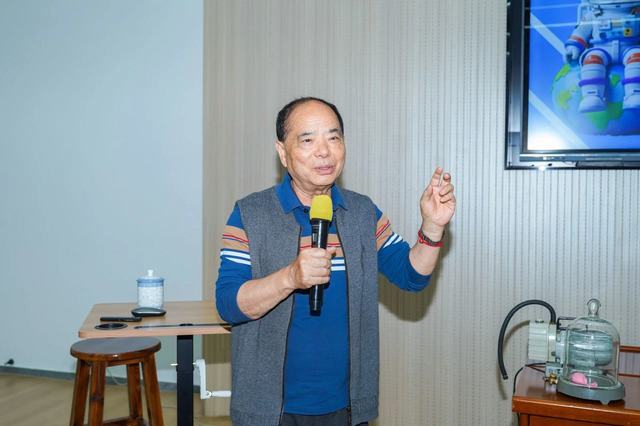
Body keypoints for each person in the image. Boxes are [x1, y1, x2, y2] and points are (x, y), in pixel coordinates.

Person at [215, 97, 456, 426]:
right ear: (283, 152)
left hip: (347, 406)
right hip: (271, 410)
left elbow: (411, 276)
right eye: (308, 140)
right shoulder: (250, 214)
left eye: (333, 137)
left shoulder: (362, 212)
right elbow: (228, 304)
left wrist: (433, 227)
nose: (324, 151)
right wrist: (290, 277)